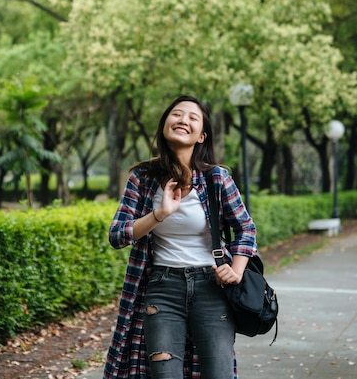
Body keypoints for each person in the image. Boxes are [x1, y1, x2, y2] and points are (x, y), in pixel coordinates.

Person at [103, 95, 257, 379]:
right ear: (165, 124)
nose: (183, 120)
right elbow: (117, 235)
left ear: (202, 136)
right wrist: (159, 214)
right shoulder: (143, 178)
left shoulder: (217, 179)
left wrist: (235, 271)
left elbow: (246, 228)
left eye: (192, 117)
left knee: (219, 373)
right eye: (176, 114)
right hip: (162, 287)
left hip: (211, 287)